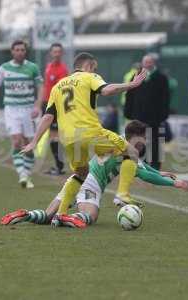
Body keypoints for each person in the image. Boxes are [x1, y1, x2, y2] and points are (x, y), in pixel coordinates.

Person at [20, 52, 147, 228]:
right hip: (90, 133)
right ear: (88, 65)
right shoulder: (89, 77)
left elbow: (47, 117)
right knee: (132, 152)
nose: (96, 70)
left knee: (81, 173)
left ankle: (61, 214)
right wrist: (132, 84)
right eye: (94, 67)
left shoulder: (58, 86)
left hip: (68, 139)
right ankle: (123, 194)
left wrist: (34, 141)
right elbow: (108, 90)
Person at [0, 120, 188, 227]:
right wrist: (174, 184)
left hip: (76, 179)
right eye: (143, 140)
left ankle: (26, 215)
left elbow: (143, 167)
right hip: (90, 185)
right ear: (133, 138)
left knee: (47, 215)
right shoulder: (127, 151)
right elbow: (144, 174)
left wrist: (160, 172)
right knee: (90, 216)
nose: (145, 143)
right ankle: (68, 218)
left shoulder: (119, 142)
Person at [0, 40, 43, 188]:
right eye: (17, 50)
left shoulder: (32, 67)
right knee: (16, 141)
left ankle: (26, 172)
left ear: (25, 52)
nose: (20, 52)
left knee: (28, 144)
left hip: (28, 109)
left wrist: (37, 106)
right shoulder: (4, 68)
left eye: (22, 50)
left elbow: (40, 87)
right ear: (12, 51)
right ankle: (23, 175)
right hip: (11, 109)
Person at [124, 53, 170, 170]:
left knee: (155, 142)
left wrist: (164, 115)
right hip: (139, 117)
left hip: (155, 117)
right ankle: (140, 165)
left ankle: (155, 167)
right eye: (146, 62)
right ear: (142, 63)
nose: (148, 64)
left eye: (150, 62)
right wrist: (128, 112)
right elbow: (130, 95)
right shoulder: (136, 76)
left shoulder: (161, 78)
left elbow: (166, 98)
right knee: (139, 142)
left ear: (153, 63)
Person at [42, 43, 69, 176]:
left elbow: (62, 91)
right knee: (53, 136)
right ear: (51, 53)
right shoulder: (48, 67)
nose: (57, 54)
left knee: (55, 136)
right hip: (47, 103)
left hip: (56, 106)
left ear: (62, 53)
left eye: (59, 52)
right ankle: (58, 165)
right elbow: (45, 86)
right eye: (55, 52)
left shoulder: (62, 70)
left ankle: (60, 166)